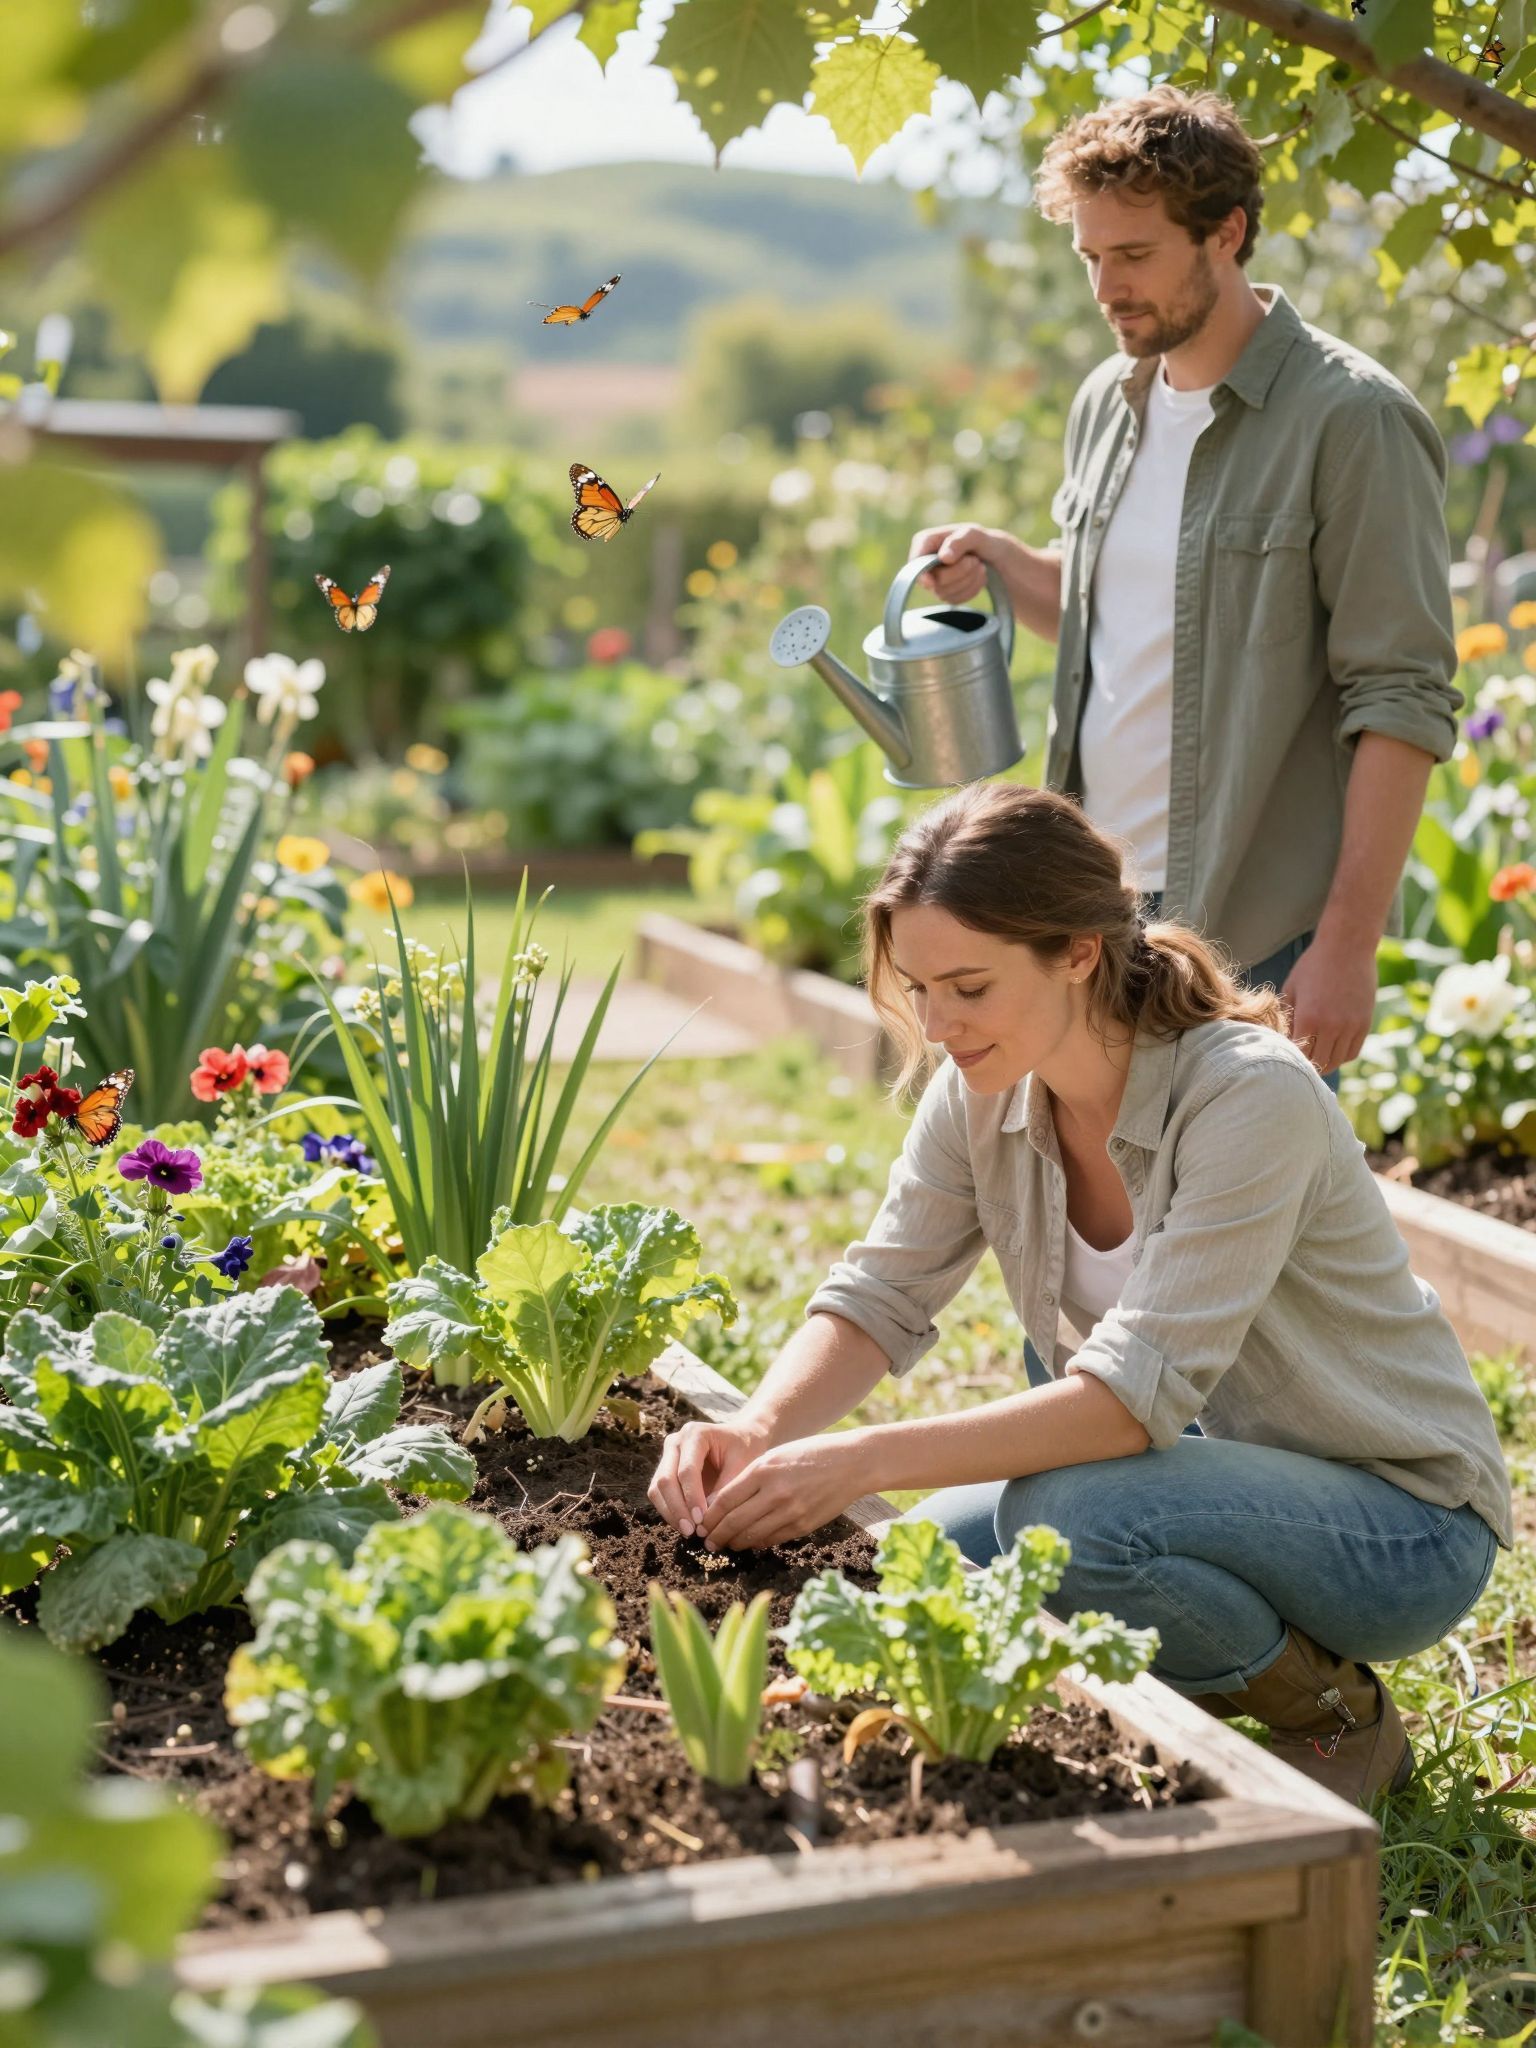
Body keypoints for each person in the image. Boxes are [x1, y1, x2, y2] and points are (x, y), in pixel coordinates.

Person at [646, 785, 1512, 1810]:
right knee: (924, 1567)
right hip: (1197, 1475)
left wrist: (862, 1456)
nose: (937, 1021)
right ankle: (1186, 1683)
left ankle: (1332, 1717)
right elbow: (881, 1289)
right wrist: (757, 1426)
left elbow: (1121, 1403)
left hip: (1399, 1521)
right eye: (919, 987)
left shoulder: (1250, 1095)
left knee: (1068, 1524)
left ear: (1079, 952)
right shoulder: (979, 1090)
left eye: (968, 984)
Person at [909, 85, 1462, 1093]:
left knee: (1241, 1236)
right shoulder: (1107, 404)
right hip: (1088, 908)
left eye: (1134, 256)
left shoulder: (1352, 421)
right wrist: (1004, 560)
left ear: (1227, 234)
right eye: (1090, 258)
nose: (1107, 289)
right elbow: (1113, 613)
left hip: (1257, 930)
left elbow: (1403, 697)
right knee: (1095, 1224)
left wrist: (1347, 944)